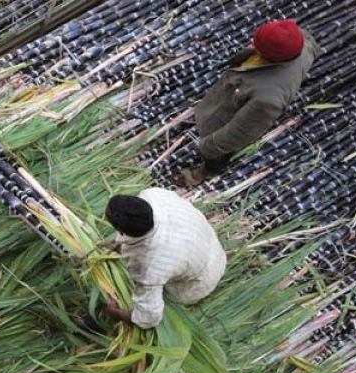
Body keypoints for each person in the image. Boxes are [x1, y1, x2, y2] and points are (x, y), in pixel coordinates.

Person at [176, 19, 320, 187]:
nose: (253, 43)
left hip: (224, 123)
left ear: (269, 56)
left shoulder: (268, 98)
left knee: (217, 153)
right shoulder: (297, 40)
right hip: (240, 86)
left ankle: (205, 172)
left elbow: (238, 133)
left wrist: (207, 146)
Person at [103, 187, 226, 329]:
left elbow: (149, 318)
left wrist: (117, 314)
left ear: (120, 230)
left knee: (138, 289)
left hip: (202, 278)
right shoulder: (153, 195)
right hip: (207, 244)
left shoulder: (149, 266)